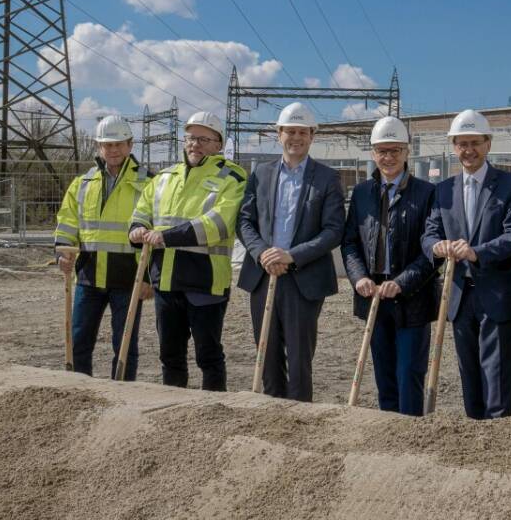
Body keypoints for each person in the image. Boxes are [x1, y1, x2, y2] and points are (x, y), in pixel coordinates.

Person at [422, 109, 511, 420]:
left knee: (496, 378)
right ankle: (475, 439)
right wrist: (437, 246)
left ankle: (499, 443)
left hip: (497, 294)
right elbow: (430, 233)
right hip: (458, 296)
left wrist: (476, 252)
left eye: (474, 142)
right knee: (469, 375)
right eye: (461, 143)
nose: (468, 150)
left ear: (488, 144)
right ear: (454, 146)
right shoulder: (443, 190)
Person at [128, 110, 246, 391]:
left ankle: (213, 409)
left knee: (208, 356)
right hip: (166, 280)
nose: (196, 144)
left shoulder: (233, 177)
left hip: (205, 282)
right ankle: (175, 409)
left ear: (218, 144)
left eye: (204, 139)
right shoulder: (165, 176)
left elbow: (218, 223)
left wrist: (166, 237)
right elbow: (143, 210)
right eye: (191, 138)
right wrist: (137, 227)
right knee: (170, 355)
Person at [237, 101, 345, 401]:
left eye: (302, 131)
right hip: (263, 275)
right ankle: (272, 415)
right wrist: (262, 253)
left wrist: (292, 255)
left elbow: (334, 230)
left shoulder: (327, 178)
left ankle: (299, 420)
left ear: (312, 135)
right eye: (289, 131)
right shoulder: (261, 174)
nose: (295, 137)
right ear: (278, 133)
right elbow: (245, 221)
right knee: (267, 356)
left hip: (303, 279)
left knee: (299, 359)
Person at [341, 115, 439, 416]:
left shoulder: (426, 193)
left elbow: (432, 251)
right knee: (383, 373)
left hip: (412, 298)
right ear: (373, 153)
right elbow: (350, 243)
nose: (388, 157)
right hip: (374, 297)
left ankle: (411, 435)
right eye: (382, 150)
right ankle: (389, 436)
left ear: (407, 152)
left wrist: (403, 282)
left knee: (409, 373)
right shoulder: (361, 194)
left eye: (395, 150)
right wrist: (359, 278)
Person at [54, 114, 150, 380]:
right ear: (98, 147)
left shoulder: (148, 182)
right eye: (107, 144)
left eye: (119, 143)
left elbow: (156, 232)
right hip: (89, 276)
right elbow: (67, 222)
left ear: (130, 145)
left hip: (129, 278)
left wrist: (150, 278)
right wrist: (62, 250)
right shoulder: (83, 183)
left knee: (125, 346)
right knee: (79, 340)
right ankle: (79, 391)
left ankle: (122, 395)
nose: (113, 149)